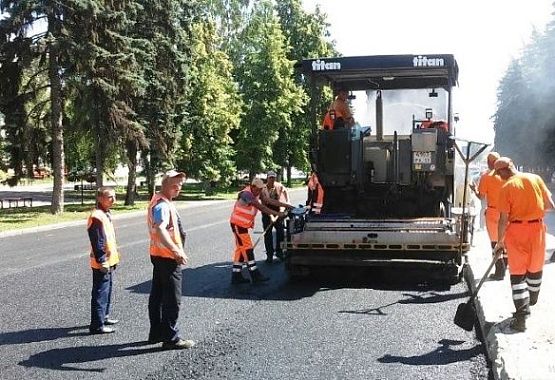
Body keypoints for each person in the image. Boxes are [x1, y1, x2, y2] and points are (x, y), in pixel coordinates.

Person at [494, 157, 554, 332]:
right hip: (538, 230)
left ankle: (521, 318)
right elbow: (550, 205)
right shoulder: (535, 178)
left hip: (517, 232)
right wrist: (532, 211)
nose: (499, 177)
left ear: (503, 171)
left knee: (518, 274)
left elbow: (503, 220)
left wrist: (499, 243)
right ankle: (532, 299)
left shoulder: (506, 188)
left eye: (498, 174)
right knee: (535, 268)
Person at [146, 170, 194, 349]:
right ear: (164, 184)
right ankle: (170, 338)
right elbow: (160, 229)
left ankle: (156, 333)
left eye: (180, 185)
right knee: (172, 298)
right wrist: (176, 250)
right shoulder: (162, 206)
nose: (178, 188)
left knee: (157, 295)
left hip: (159, 255)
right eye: (174, 184)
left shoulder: (160, 201)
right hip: (167, 257)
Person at [230, 177, 291, 284]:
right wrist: (278, 214)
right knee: (248, 249)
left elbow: (268, 201)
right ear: (252, 187)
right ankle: (255, 275)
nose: (259, 191)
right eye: (258, 189)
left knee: (241, 249)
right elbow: (262, 207)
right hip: (237, 224)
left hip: (242, 225)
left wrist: (286, 205)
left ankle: (236, 275)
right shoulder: (246, 194)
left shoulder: (257, 192)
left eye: (261, 189)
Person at [87, 186, 120, 334]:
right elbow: (97, 241)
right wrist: (102, 260)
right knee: (100, 293)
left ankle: (104, 316)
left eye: (114, 196)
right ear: (100, 198)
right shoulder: (97, 216)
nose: (113, 200)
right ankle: (97, 325)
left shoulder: (105, 214)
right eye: (109, 197)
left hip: (109, 260)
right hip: (102, 262)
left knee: (106, 291)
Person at [470, 151, 507, 280]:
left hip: (493, 212)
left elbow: (481, 196)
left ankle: (499, 271)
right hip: (507, 213)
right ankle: (505, 267)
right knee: (505, 241)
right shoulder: (506, 176)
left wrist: (474, 189)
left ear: (489, 163)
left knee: (495, 242)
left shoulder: (486, 176)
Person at [261, 171, 290, 263]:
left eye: (273, 178)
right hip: (266, 212)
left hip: (277, 212)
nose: (272, 179)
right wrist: (271, 216)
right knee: (268, 234)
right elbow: (265, 204)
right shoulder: (263, 189)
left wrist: (287, 202)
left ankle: (279, 252)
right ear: (267, 178)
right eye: (270, 178)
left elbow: (285, 192)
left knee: (280, 233)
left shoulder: (278, 186)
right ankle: (269, 255)